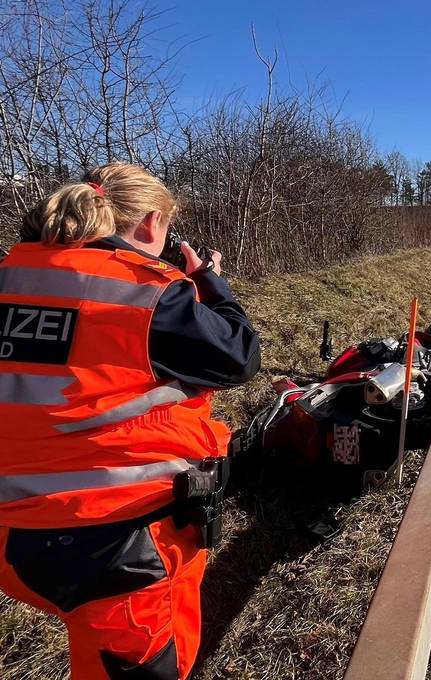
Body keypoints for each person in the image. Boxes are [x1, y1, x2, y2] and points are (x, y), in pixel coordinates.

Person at [0, 163, 261, 679]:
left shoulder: (11, 274)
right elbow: (239, 355)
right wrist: (208, 281)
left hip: (13, 535)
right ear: (150, 223)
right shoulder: (151, 294)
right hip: (117, 546)